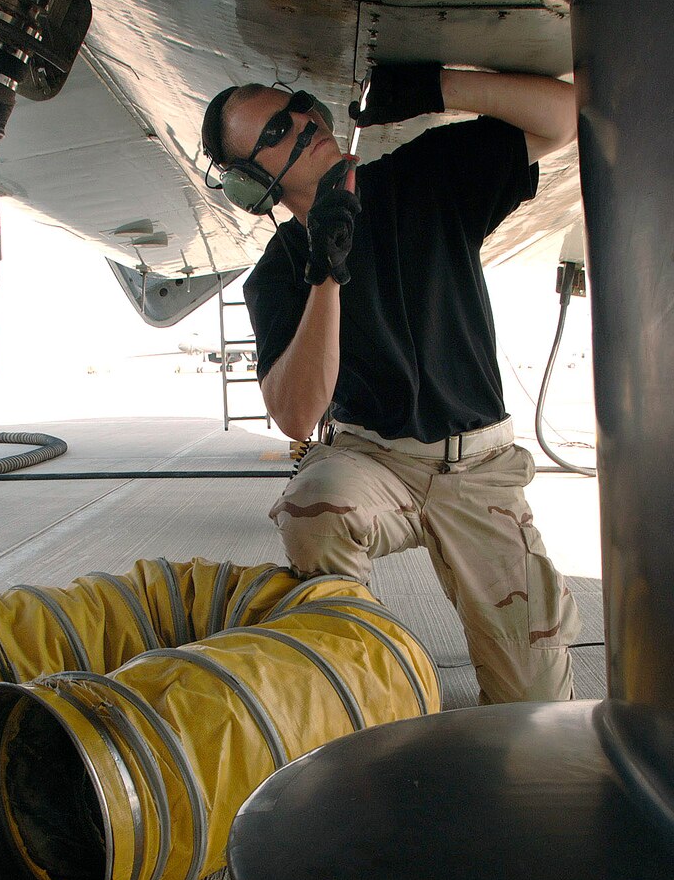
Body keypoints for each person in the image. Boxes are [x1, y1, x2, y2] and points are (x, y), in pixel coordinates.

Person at [200, 64, 582, 703]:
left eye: (299, 105)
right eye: (277, 128)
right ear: (253, 182)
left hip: (480, 467)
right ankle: (362, 675)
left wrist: (437, 87)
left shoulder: (423, 177)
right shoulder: (278, 274)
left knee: (537, 706)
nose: (305, 121)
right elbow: (297, 416)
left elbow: (564, 117)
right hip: (376, 465)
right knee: (311, 512)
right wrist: (327, 269)